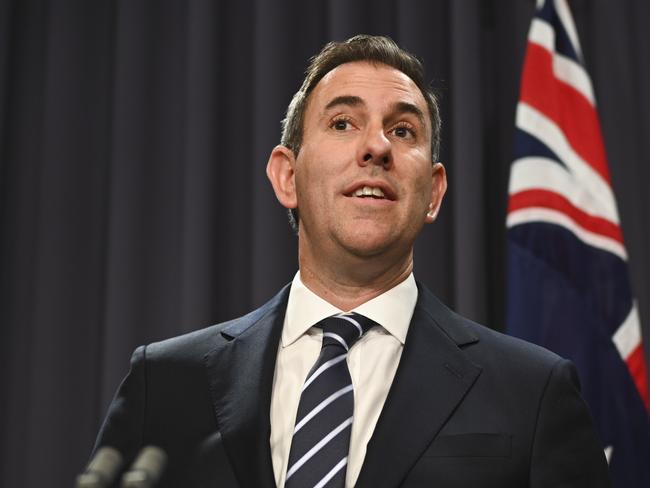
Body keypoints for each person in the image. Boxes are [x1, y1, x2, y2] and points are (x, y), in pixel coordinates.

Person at [92, 35, 611, 487]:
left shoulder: (533, 392)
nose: (376, 147)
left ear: (433, 193)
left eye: (403, 131)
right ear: (287, 177)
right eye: (343, 122)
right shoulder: (165, 383)